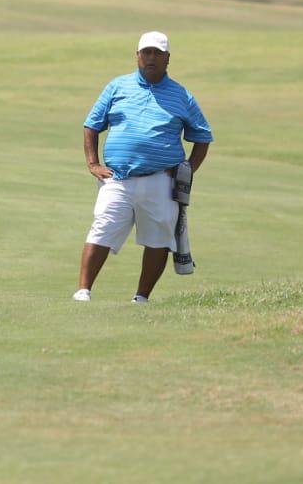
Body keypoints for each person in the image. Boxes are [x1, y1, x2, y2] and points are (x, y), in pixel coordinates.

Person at [74, 31, 212, 303]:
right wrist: (93, 164)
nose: (151, 58)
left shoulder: (182, 96)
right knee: (102, 226)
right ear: (137, 56)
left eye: (157, 53)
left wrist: (187, 171)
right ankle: (83, 291)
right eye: (146, 52)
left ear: (167, 59)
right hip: (118, 178)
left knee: (158, 238)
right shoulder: (117, 87)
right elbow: (92, 125)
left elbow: (202, 136)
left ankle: (141, 298)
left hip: (161, 179)